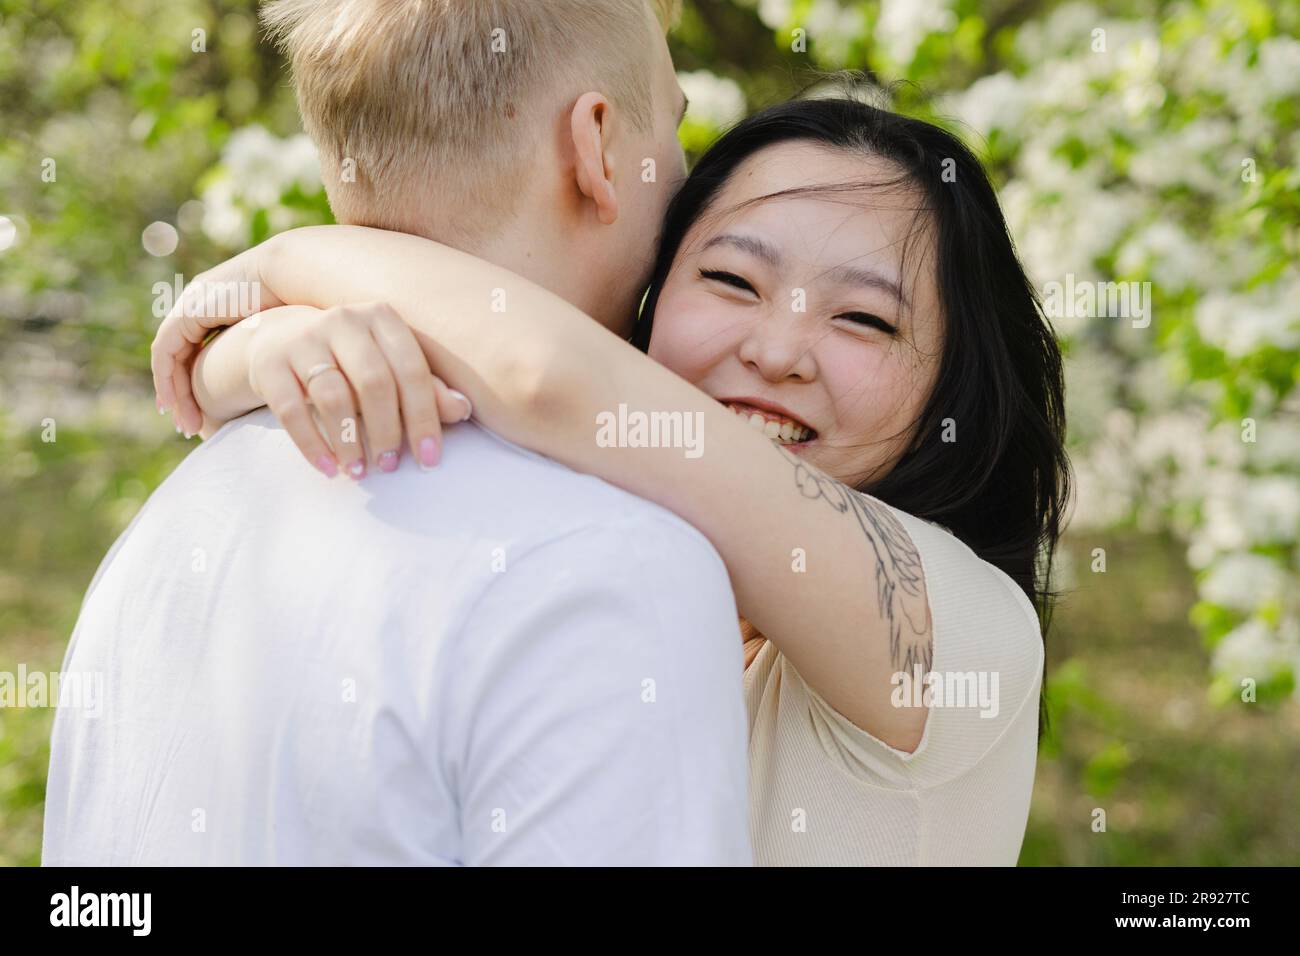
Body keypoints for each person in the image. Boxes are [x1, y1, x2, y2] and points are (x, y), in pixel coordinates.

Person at [153, 95, 1072, 864]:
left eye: (866, 320)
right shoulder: (614, 552)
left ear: (952, 382)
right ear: (655, 295)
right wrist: (268, 352)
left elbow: (546, 376)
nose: (779, 349)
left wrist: (285, 265)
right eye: (732, 281)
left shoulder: (964, 632)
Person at [43, 0, 754, 866]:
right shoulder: (622, 567)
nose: (682, 175)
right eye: (672, 131)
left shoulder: (168, 525)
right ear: (597, 145)